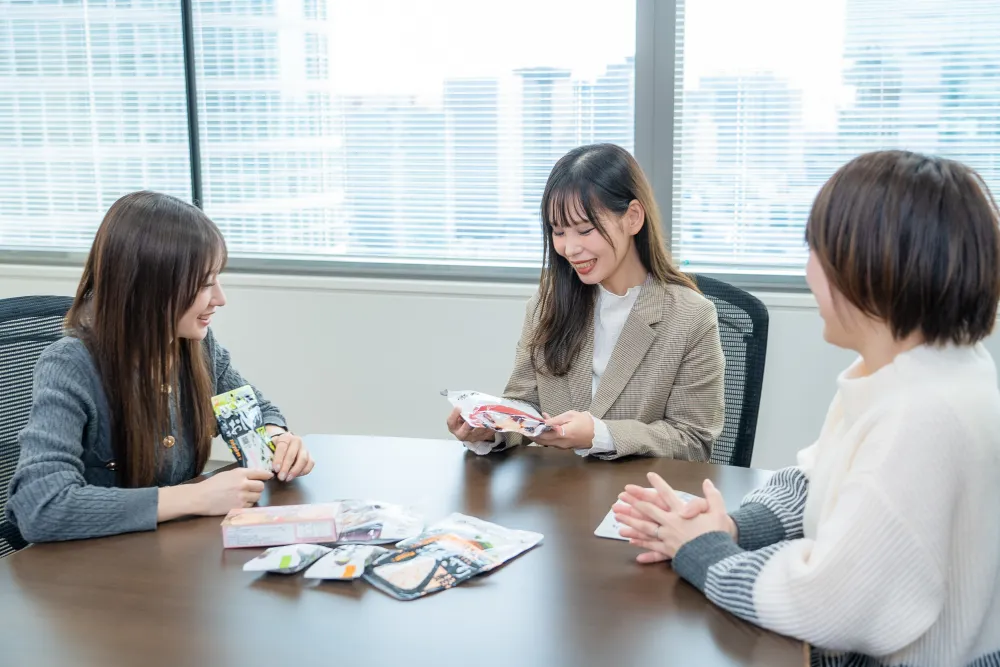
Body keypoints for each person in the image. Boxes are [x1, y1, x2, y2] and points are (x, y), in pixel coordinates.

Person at [614, 150, 1000, 666]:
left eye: (816, 252)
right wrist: (732, 526)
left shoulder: (922, 415)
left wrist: (700, 549)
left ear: (870, 268)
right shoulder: (925, 367)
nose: (808, 272)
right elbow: (815, 479)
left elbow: (829, 604)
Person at [6, 191, 314, 543]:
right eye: (204, 284)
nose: (220, 299)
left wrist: (276, 437)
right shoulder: (71, 366)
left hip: (166, 556)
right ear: (148, 287)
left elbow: (254, 411)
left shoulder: (195, 347)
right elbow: (41, 508)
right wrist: (195, 497)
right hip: (92, 573)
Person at [447, 143, 725, 460]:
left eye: (585, 229)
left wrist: (601, 435)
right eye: (559, 231)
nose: (570, 248)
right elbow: (526, 403)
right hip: (559, 493)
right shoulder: (547, 303)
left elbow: (694, 441)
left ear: (633, 218)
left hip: (639, 498)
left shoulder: (691, 316)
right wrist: (493, 428)